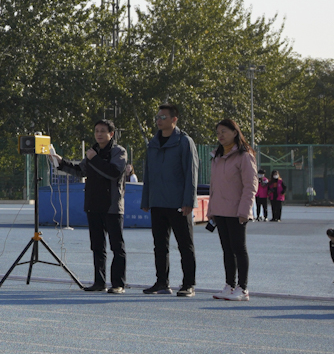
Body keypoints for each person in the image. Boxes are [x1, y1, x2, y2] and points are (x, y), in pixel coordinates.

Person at [49, 120, 129, 292]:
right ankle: (99, 282)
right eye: (96, 131)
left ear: (111, 134)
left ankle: (118, 284)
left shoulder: (118, 152)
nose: (98, 134)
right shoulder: (93, 152)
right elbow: (80, 171)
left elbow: (114, 172)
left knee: (117, 246)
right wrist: (61, 162)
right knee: (97, 247)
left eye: (102, 131)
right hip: (93, 205)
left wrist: (95, 159)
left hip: (112, 207)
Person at [141, 103, 197, 297]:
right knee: (159, 245)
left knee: (185, 244)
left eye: (163, 117)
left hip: (178, 203)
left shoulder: (184, 141)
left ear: (174, 119)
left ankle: (188, 284)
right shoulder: (153, 143)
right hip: (157, 202)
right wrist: (146, 199)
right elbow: (147, 173)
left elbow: (191, 172)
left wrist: (188, 200)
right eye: (157, 117)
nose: (159, 120)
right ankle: (162, 282)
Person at [207, 118, 257, 301]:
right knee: (226, 249)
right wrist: (211, 209)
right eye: (218, 132)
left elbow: (250, 186)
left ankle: (242, 288)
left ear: (235, 132)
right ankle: (229, 285)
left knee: (239, 248)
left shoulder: (245, 156)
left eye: (224, 132)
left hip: (237, 211)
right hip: (220, 210)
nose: (220, 135)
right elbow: (214, 186)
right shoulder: (217, 156)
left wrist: (244, 211)